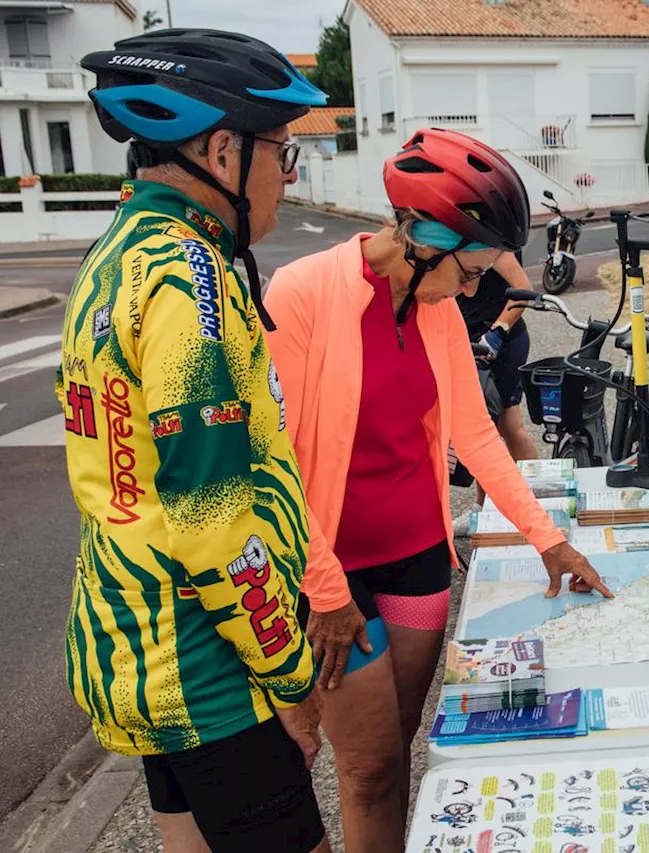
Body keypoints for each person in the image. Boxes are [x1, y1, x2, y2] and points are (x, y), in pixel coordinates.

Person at [264, 127, 613, 851]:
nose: (480, 283)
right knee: (358, 764)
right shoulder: (303, 292)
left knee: (393, 755)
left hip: (418, 556)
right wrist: (321, 591)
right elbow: (275, 459)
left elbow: (475, 434)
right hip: (327, 568)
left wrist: (549, 539)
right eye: (474, 263)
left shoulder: (438, 309)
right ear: (422, 236)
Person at [61, 29, 331, 853]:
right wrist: (290, 674)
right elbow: (212, 518)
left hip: (135, 640)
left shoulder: (117, 255)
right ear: (222, 149)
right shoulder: (190, 280)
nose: (287, 181)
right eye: (282, 154)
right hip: (213, 665)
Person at [452, 249, 541, 532]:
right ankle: (524, 504)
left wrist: (497, 332)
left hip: (500, 342)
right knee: (499, 425)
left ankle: (509, 506)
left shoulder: (491, 242)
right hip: (469, 342)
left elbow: (523, 288)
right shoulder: (452, 240)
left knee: (500, 426)